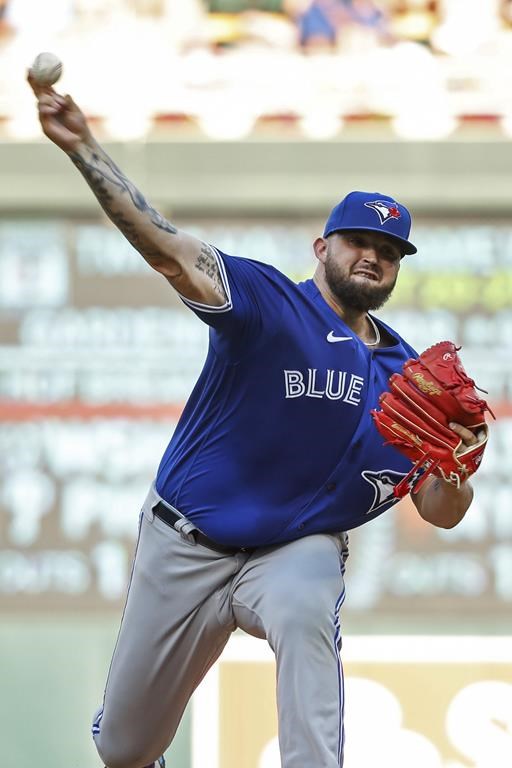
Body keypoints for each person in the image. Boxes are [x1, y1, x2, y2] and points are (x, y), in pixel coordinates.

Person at [28, 73, 479, 768]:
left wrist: (451, 470)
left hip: (293, 550)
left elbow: (441, 510)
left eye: (388, 251)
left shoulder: (409, 379)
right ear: (321, 247)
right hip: (187, 542)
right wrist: (84, 146)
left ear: (396, 270)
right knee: (125, 749)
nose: (373, 256)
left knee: (305, 611)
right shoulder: (269, 305)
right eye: (357, 240)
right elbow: (164, 246)